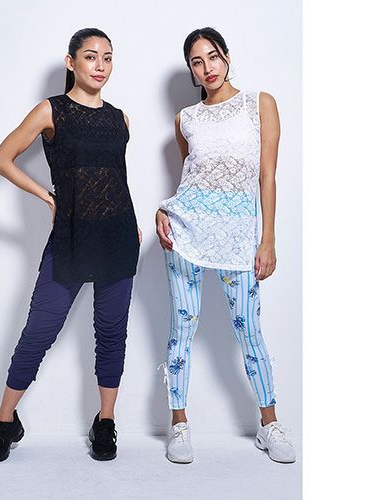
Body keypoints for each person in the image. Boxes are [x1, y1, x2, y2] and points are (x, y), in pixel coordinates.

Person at [0, 28, 141, 463]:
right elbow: (1, 159)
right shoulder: (51, 110)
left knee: (111, 333)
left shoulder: (120, 119)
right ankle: (4, 421)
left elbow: (117, 179)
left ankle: (105, 420)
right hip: (70, 237)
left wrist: (133, 224)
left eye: (108, 57)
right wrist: (48, 197)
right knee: (39, 330)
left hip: (118, 237)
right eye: (90, 56)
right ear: (71, 62)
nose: (100, 65)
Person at [156, 27, 296, 464]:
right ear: (192, 71)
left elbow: (267, 176)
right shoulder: (186, 118)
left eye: (213, 56)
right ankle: (179, 424)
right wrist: (165, 210)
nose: (207, 68)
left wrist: (267, 239)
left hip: (239, 239)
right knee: (182, 331)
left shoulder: (260, 104)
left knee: (249, 331)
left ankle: (269, 423)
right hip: (184, 236)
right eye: (197, 62)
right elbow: (190, 177)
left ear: (227, 57)